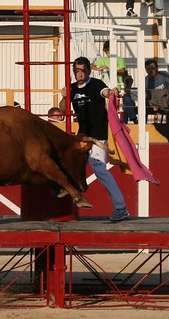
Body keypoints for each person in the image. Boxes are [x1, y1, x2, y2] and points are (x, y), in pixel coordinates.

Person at [59, 56, 130, 221]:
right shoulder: (72, 88)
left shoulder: (96, 84)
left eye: (83, 70)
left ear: (89, 71)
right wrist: (64, 96)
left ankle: (121, 208)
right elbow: (63, 110)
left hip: (98, 136)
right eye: (77, 71)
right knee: (68, 161)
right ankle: (69, 189)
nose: (80, 74)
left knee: (99, 169)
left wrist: (111, 92)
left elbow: (105, 92)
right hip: (82, 136)